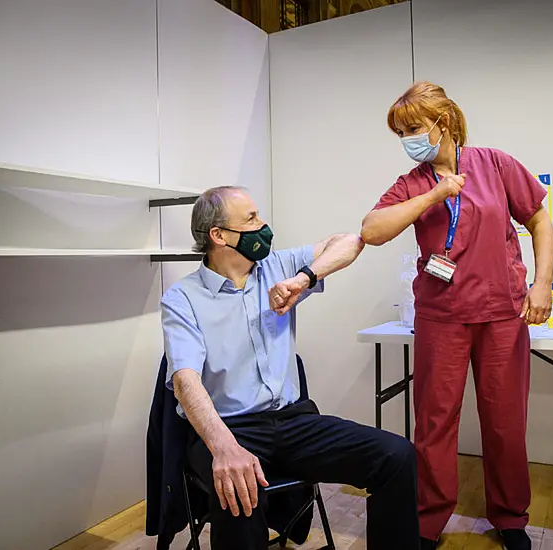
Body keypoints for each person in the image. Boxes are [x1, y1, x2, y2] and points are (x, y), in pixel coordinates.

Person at [161, 185, 421, 550]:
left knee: (397, 456)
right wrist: (225, 448)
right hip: (228, 427)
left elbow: (349, 241)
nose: (264, 225)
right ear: (219, 236)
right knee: (239, 494)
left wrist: (304, 279)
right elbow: (186, 382)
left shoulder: (276, 268)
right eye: (251, 219)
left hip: (292, 422)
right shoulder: (182, 298)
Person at [361, 82, 553, 550]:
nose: (408, 139)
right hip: (441, 317)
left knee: (506, 422)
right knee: (434, 423)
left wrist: (542, 283)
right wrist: (434, 195)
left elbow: (540, 221)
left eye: (412, 128)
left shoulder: (495, 164)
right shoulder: (412, 182)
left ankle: (511, 519)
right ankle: (427, 523)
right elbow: (372, 229)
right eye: (401, 133)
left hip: (501, 314)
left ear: (442, 123)